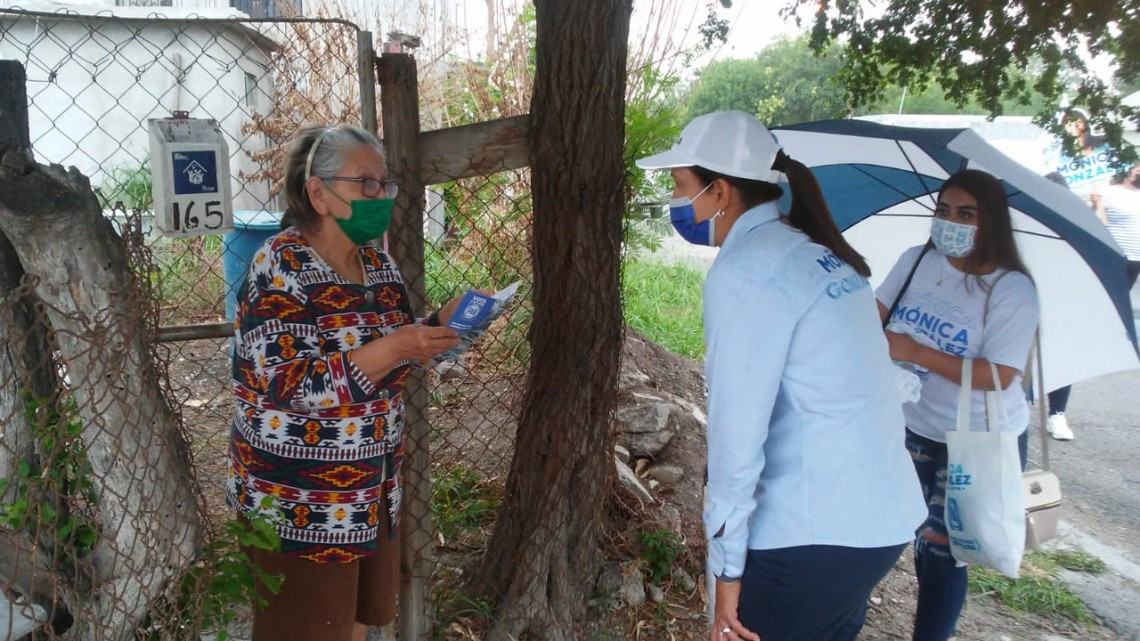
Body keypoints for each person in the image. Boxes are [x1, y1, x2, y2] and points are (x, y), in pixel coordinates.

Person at [636, 110, 926, 641]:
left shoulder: (748, 272)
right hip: (880, 518)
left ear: (719, 192)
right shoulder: (818, 256)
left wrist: (727, 569)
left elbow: (736, 435)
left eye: (680, 185)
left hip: (814, 532)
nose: (675, 200)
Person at [226, 124, 465, 641]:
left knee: (356, 623)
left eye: (386, 184)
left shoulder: (378, 266)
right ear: (320, 193)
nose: (383, 197)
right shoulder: (280, 265)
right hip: (300, 502)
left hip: (372, 489)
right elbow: (288, 384)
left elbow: (384, 367)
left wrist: (432, 330)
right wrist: (398, 345)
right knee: (309, 630)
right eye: (368, 185)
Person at [877, 169, 1040, 641]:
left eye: (965, 214)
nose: (951, 222)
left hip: (972, 439)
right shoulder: (916, 261)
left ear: (989, 221)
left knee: (943, 552)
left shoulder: (1011, 290)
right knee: (895, 530)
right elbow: (876, 317)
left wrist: (914, 351)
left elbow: (1000, 376)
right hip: (910, 425)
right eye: (944, 211)